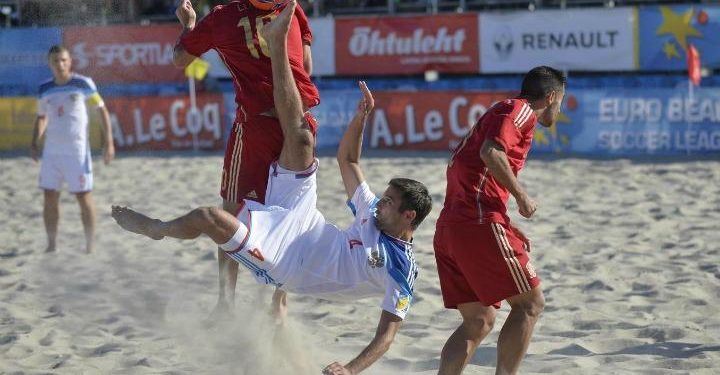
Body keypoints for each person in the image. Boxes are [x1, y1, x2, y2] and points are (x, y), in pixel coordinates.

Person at [112, 3, 431, 374]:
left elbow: (387, 336)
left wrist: (350, 369)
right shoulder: (373, 213)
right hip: (305, 220)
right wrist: (361, 119)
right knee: (300, 138)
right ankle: (252, 304)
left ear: (408, 217)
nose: (379, 204)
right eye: (384, 198)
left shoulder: (401, 268)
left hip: (288, 262)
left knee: (209, 216)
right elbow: (349, 161)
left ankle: (157, 229)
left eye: (388, 203)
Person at [173, 0, 320, 318]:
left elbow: (180, 59)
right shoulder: (293, 7)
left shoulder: (223, 18)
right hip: (297, 124)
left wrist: (188, 24)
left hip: (257, 125)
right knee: (292, 214)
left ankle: (226, 300)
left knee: (232, 213)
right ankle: (279, 303)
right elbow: (305, 65)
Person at [433, 66, 566, 375]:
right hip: (477, 221)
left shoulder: (501, 113)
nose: (559, 109)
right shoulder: (518, 109)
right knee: (531, 304)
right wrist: (521, 197)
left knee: (478, 321)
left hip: (452, 226)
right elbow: (490, 153)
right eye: (561, 102)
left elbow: (470, 171)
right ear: (551, 97)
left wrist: (502, 221)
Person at [30, 45, 115, 254]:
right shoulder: (44, 88)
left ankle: (90, 246)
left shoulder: (83, 84)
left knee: (83, 196)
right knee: (49, 196)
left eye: (63, 60)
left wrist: (109, 142)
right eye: (55, 61)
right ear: (49, 64)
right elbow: (42, 117)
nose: (60, 64)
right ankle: (51, 245)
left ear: (70, 61)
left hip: (77, 152)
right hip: (51, 152)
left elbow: (101, 110)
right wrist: (34, 141)